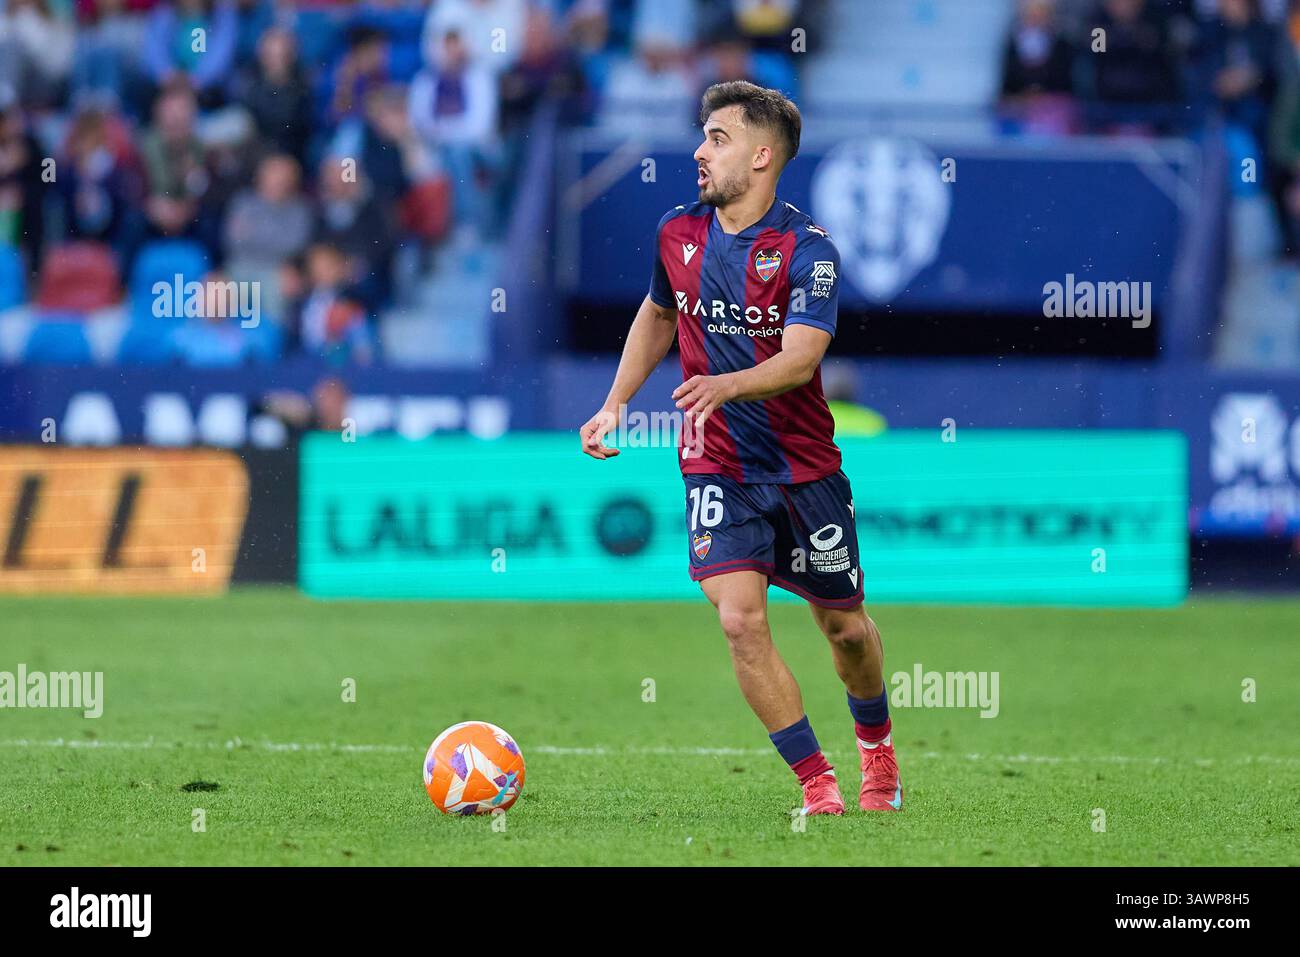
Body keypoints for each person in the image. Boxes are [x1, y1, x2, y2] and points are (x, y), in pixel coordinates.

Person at [579, 81, 902, 816]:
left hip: (803, 466)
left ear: (761, 157)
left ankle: (876, 750)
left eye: (717, 138)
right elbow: (659, 313)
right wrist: (615, 403)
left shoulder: (808, 251)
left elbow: (799, 358)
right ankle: (818, 781)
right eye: (702, 135)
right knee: (738, 618)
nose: (699, 151)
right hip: (714, 458)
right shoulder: (677, 233)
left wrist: (724, 384)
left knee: (846, 628)